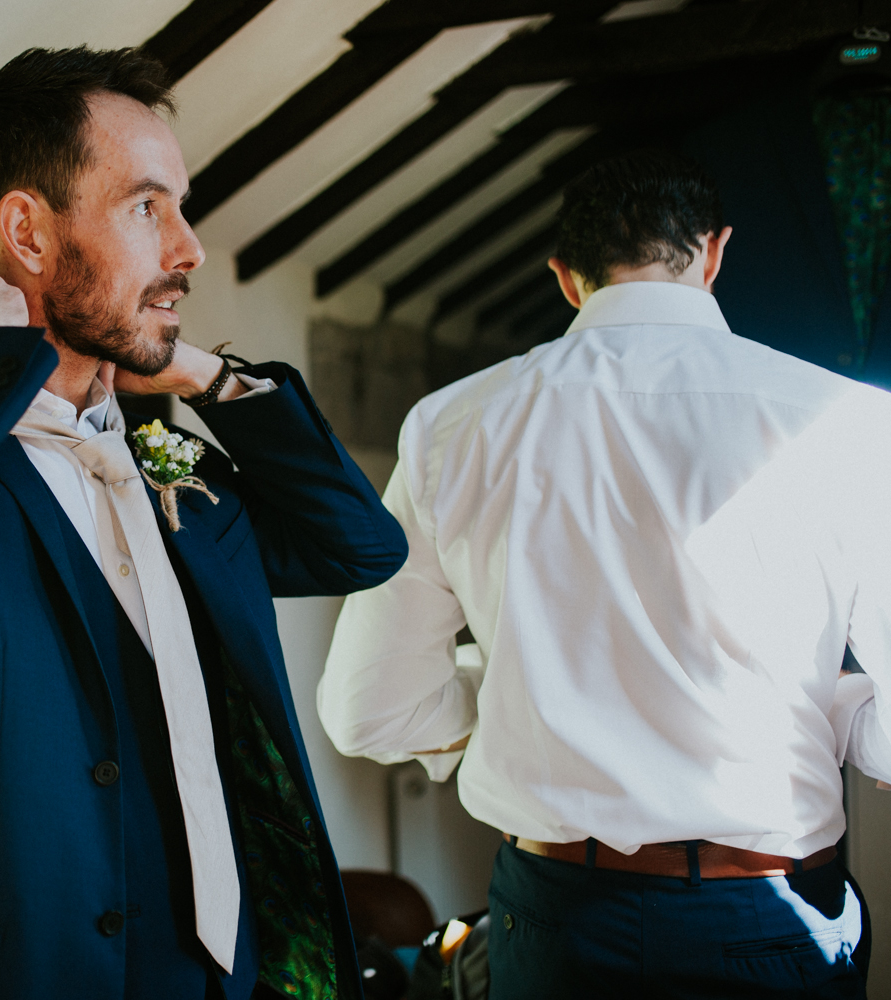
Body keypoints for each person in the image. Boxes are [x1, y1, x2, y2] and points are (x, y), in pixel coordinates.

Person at [0, 46, 407, 1000]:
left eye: (180, 208)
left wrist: (210, 380)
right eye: (148, 207)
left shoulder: (163, 454)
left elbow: (359, 546)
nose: (188, 250)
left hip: (234, 979)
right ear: (27, 231)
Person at [318, 149, 891, 998]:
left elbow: (369, 708)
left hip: (556, 916)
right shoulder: (849, 422)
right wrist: (834, 710)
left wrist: (529, 704)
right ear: (715, 253)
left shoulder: (451, 426)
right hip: (769, 910)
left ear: (565, 277)